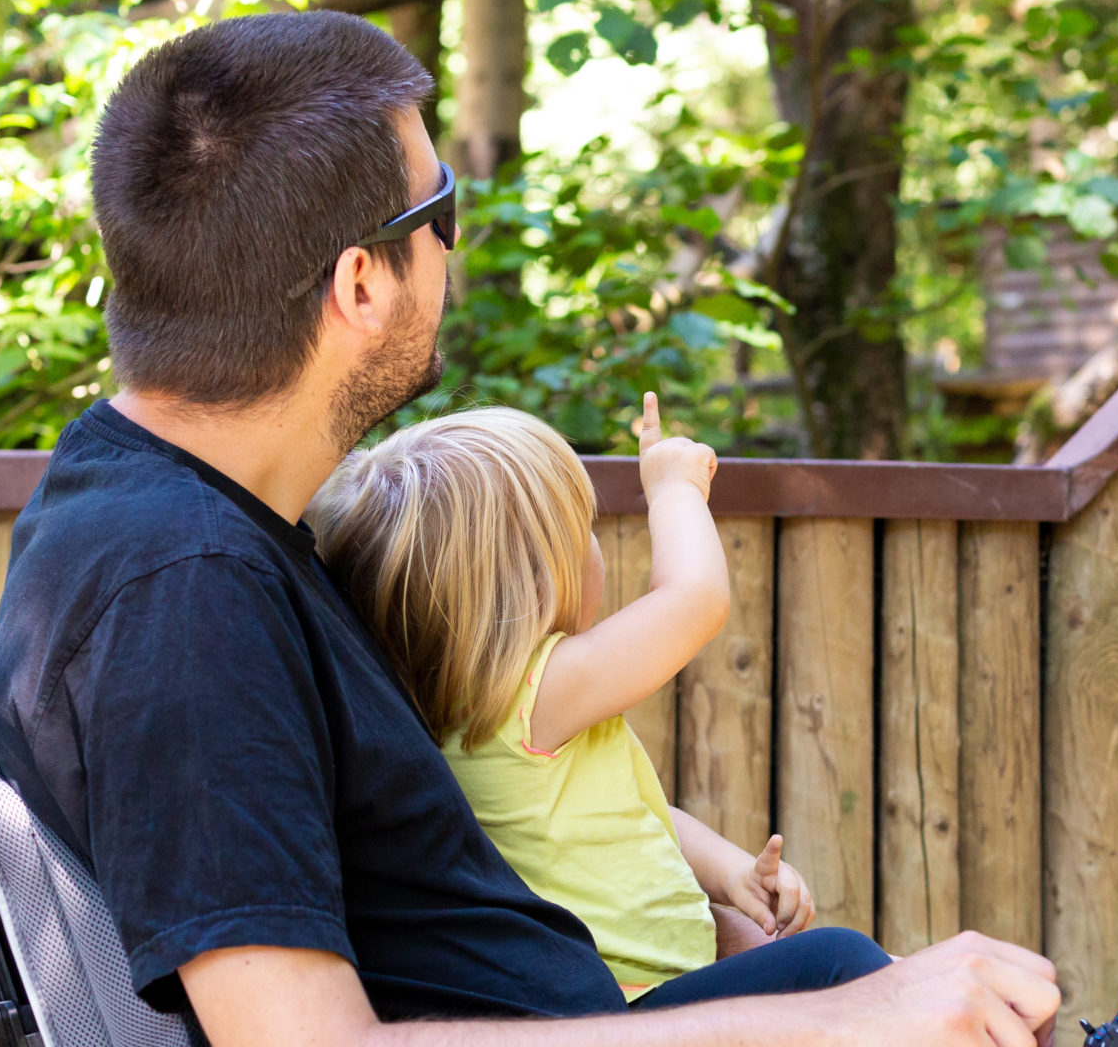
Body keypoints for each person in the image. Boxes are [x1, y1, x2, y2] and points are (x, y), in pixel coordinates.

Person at [0, 9, 1118, 1047]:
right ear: (360, 279)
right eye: (441, 215)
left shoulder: (169, 526)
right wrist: (836, 1020)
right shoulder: (185, 596)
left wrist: (753, 954)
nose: (450, 254)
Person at [307, 399, 833, 994]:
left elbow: (640, 816)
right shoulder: (534, 698)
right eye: (583, 528)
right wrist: (674, 489)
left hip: (640, 993)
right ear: (534, 577)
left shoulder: (450, 712)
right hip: (640, 1004)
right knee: (841, 961)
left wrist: (730, 872)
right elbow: (696, 601)